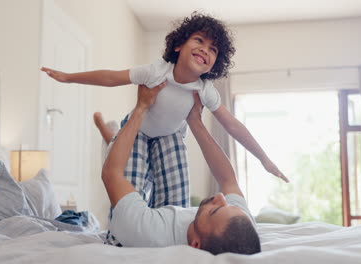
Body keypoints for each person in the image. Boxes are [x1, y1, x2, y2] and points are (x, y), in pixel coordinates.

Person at [42, 12, 288, 211]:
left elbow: (233, 126)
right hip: (138, 131)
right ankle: (110, 134)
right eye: (199, 41)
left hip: (169, 135)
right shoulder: (157, 71)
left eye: (213, 49)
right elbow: (111, 77)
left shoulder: (205, 90)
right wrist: (68, 77)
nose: (205, 49)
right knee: (130, 188)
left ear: (215, 63)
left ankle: (110, 135)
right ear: (179, 45)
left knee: (176, 200)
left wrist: (263, 158)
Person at [101, 81, 261, 255]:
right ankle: (112, 136)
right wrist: (195, 121)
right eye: (228, 204)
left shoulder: (144, 233)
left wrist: (141, 107)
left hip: (130, 232)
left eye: (214, 210)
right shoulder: (239, 222)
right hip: (169, 211)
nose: (220, 197)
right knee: (169, 135)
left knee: (136, 136)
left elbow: (112, 174)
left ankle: (110, 134)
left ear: (195, 245)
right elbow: (228, 180)